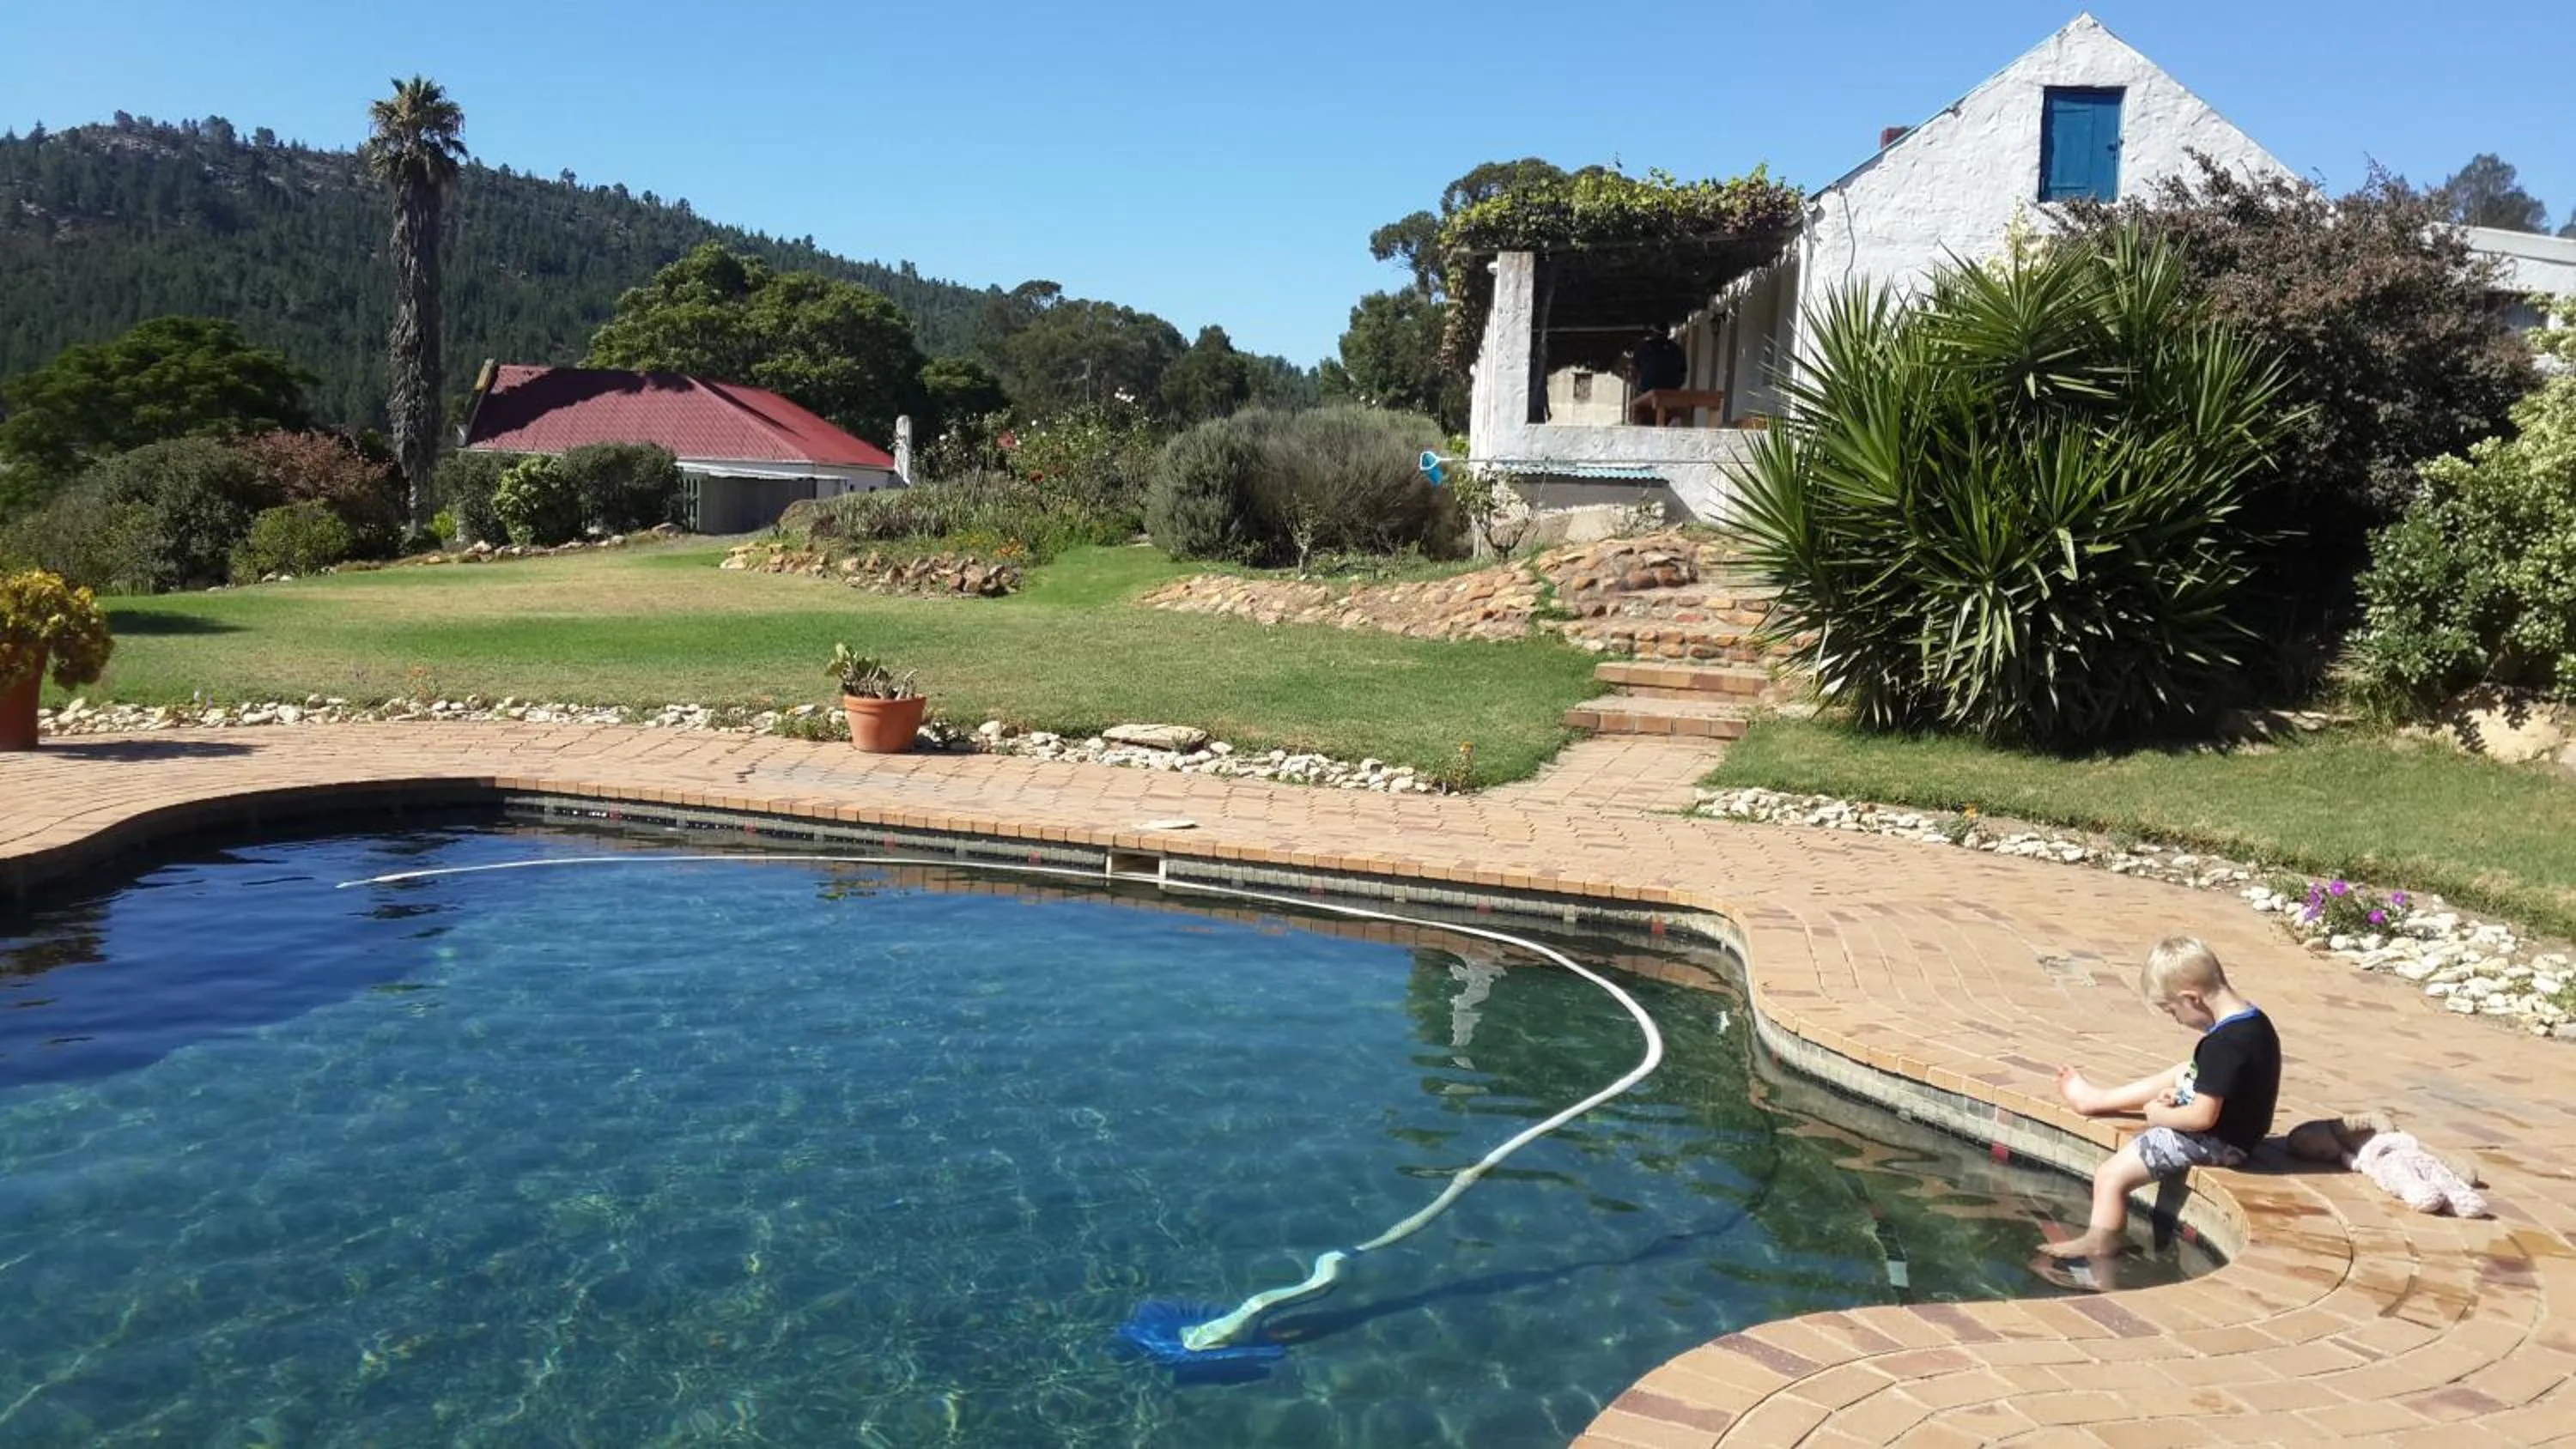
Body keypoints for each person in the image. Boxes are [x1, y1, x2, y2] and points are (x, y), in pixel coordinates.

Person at [2040, 937, 2281, 1262]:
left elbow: (2202, 1118)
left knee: (2110, 1177)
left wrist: (2158, 1115)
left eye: (2172, 1011)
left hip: (2215, 1143)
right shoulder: (2255, 1021)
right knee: (2184, 1071)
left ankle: (2101, 1242)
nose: (2176, 1021)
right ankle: (2096, 1100)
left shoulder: (2222, 1045)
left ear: (2192, 999)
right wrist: (2185, 1093)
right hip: (2241, 1134)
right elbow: (2236, 1086)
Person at [1627, 328, 1688, 414]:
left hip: (1648, 393)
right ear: (1668, 333)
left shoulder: (1643, 347)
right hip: (1670, 396)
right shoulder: (1677, 349)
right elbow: (1683, 375)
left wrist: (1638, 388)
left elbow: (1633, 371)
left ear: (1653, 333)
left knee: (1645, 416)